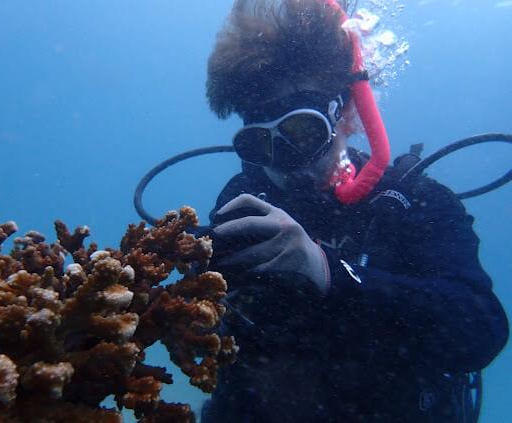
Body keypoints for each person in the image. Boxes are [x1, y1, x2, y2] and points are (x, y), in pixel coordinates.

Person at [200, 0, 509, 421]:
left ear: (344, 113)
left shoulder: (413, 200)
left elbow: (480, 330)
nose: (285, 162)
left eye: (301, 131)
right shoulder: (245, 198)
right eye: (260, 143)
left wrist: (329, 273)